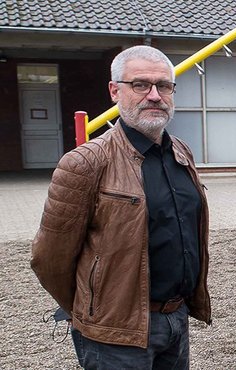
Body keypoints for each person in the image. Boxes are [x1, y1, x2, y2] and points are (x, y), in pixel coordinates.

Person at [30, 45, 210, 369]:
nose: (154, 95)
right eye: (140, 85)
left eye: (164, 85)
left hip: (176, 320)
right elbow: (48, 259)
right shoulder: (84, 163)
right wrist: (92, 311)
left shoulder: (180, 153)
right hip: (114, 336)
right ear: (115, 91)